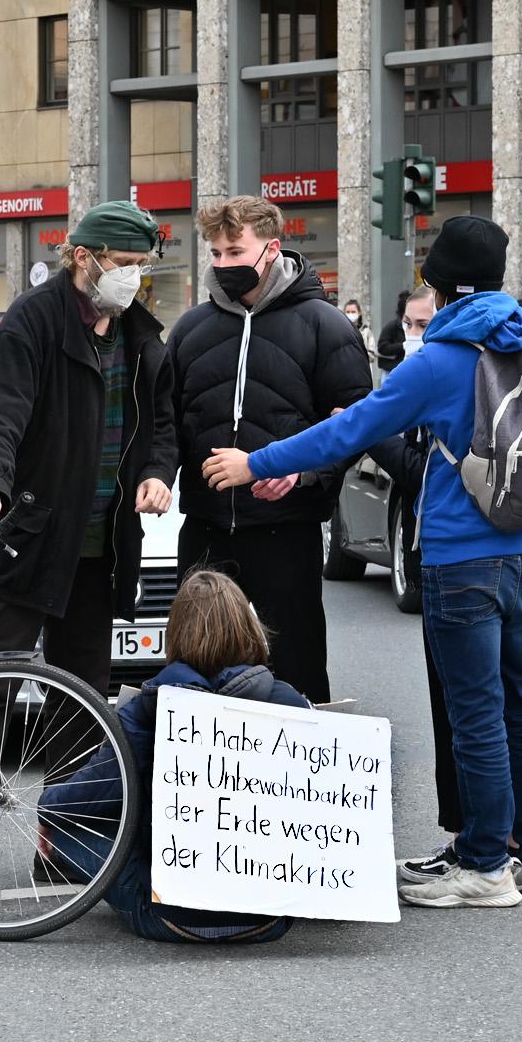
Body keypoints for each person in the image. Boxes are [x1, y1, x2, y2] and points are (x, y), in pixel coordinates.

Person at [207, 216, 522, 908]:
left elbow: (351, 429)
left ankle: (486, 865)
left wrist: (256, 461)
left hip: (462, 557)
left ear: (438, 283)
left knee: (477, 713)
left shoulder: (442, 358)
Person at [0, 200, 177, 909]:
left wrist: (156, 471)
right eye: (122, 264)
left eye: (141, 265)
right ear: (83, 258)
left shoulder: (144, 335)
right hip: (26, 538)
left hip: (103, 548)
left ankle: (65, 837)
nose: (132, 277)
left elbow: (161, 424)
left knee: (84, 700)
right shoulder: (33, 321)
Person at [165, 196, 373, 703]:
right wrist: (156, 473)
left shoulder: (325, 325)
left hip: (287, 532)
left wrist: (302, 472)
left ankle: (305, 781)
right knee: (194, 673)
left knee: (297, 671)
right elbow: (164, 422)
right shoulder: (191, 328)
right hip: (206, 529)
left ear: (272, 249)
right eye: (214, 253)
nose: (223, 264)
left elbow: (355, 424)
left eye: (235, 251)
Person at [39, 568, 308, 943]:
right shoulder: (291, 703)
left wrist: (48, 808)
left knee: (66, 825)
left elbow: (85, 796)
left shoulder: (146, 711)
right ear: (248, 627)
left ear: (176, 634)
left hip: (167, 917)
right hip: (270, 918)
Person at [356, 286, 462, 837]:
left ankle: (482, 849)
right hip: (504, 554)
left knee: (464, 712)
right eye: (407, 324)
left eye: (423, 323)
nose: (412, 336)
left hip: (453, 556)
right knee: (510, 709)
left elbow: (424, 470)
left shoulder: (441, 373)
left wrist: (371, 431)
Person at [374, 289, 412, 374]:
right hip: (391, 371)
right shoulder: (391, 327)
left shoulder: (416, 326)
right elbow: (382, 348)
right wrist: (403, 346)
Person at [341, 298, 376, 365]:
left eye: (353, 312)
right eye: (347, 312)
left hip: (363, 369)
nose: (350, 314)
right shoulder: (341, 331)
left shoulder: (366, 331)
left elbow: (372, 355)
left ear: (359, 313)